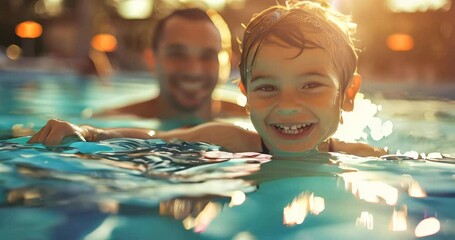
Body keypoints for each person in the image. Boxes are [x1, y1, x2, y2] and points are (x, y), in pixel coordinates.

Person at [28, 1, 387, 158]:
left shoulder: (365, 157)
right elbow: (156, 138)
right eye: (267, 87)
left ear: (348, 95)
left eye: (311, 84)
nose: (288, 105)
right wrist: (92, 133)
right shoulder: (229, 137)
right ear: (246, 96)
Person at [98, 8, 246, 121]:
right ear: (151, 60)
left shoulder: (252, 120)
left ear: (228, 63)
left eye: (207, 56)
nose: (193, 70)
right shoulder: (111, 121)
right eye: (177, 55)